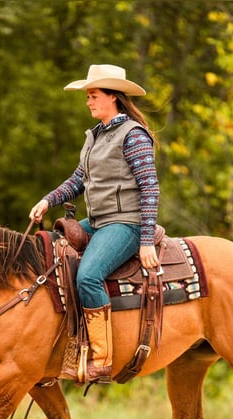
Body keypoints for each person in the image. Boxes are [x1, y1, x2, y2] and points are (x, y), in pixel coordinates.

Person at [29, 64, 160, 384]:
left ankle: (101, 358)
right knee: (47, 252)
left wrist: (145, 240)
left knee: (88, 275)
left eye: (94, 95)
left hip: (125, 223)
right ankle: (61, 344)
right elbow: (79, 180)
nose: (88, 101)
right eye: (88, 96)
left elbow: (150, 187)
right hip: (99, 221)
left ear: (113, 97)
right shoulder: (95, 136)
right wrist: (48, 200)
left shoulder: (133, 136)